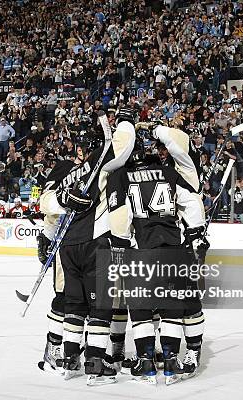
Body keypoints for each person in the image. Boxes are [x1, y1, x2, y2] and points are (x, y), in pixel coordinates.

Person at [38, 109, 135, 385]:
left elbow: (46, 202)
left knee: (75, 305)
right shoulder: (96, 163)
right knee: (100, 306)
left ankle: (69, 359)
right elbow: (125, 142)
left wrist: (61, 200)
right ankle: (94, 362)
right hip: (93, 244)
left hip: (68, 246)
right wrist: (126, 120)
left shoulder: (74, 172)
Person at [106, 126, 207, 385]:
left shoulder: (122, 176)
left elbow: (120, 216)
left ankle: (146, 363)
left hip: (142, 249)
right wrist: (196, 234)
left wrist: (119, 245)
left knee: (139, 308)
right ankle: (172, 361)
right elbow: (192, 202)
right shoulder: (169, 172)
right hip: (173, 248)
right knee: (171, 306)